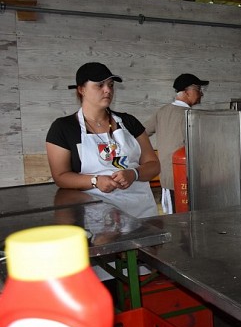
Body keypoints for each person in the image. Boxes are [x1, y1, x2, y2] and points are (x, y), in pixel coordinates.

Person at [46, 62, 160, 218]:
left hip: (140, 211)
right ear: (81, 89)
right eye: (100, 85)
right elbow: (61, 176)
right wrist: (95, 180)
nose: (108, 90)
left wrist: (134, 173)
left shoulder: (129, 122)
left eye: (111, 85)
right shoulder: (63, 128)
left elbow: (154, 165)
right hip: (96, 215)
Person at [144, 73, 209, 214]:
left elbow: (142, 133)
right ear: (187, 91)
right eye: (198, 89)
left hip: (167, 179)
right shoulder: (191, 116)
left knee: (174, 217)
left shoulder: (162, 111)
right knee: (187, 218)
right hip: (185, 180)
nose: (201, 93)